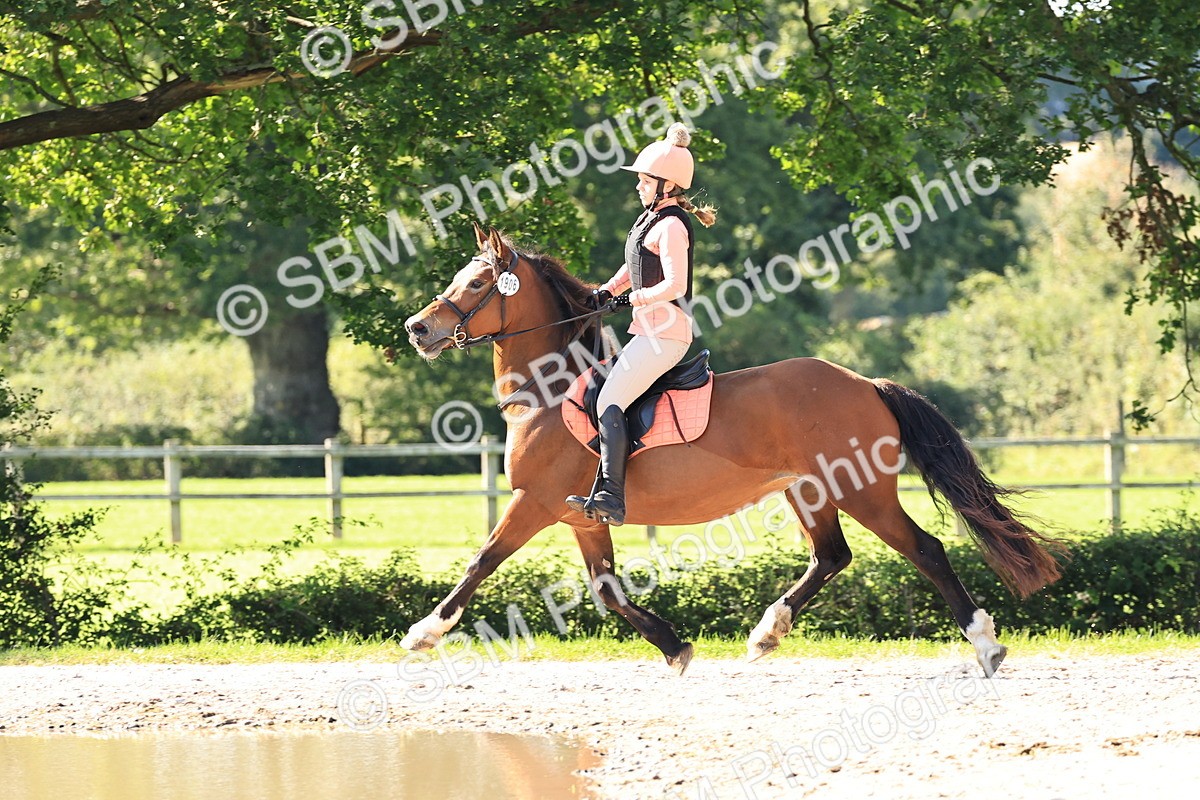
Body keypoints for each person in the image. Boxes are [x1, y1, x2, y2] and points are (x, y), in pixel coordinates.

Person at [565, 122, 717, 526]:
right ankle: (605, 486)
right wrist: (603, 291)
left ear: (666, 184)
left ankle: (612, 498)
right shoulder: (648, 221)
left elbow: (675, 284)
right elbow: (632, 268)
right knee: (605, 394)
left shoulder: (670, 227)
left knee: (607, 401)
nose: (638, 185)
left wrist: (633, 298)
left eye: (645, 179)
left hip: (666, 335)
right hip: (647, 332)